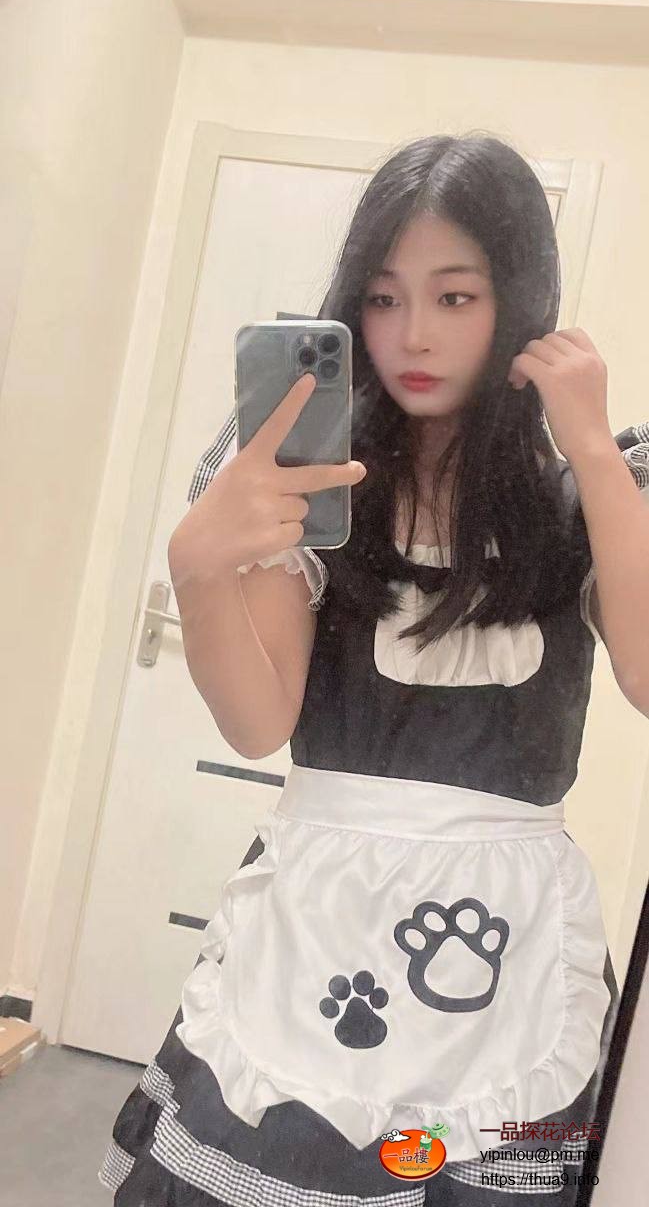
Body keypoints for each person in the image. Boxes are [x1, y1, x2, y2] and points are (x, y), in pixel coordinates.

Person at [99, 133, 649, 1205]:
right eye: (384, 298)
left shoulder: (582, 490)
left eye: (454, 296)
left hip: (504, 918)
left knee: (464, 1172)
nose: (412, 336)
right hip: (323, 900)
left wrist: (588, 447)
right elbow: (259, 723)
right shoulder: (310, 476)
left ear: (519, 302)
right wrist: (197, 567)